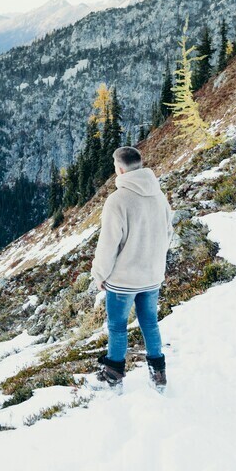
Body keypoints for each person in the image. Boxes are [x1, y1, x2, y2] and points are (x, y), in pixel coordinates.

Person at [90, 145, 174, 390]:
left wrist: (99, 274)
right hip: (151, 276)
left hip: (124, 280)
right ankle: (158, 373)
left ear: (119, 168)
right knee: (150, 323)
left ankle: (113, 373)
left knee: (117, 326)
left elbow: (108, 243)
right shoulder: (159, 196)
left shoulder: (118, 200)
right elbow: (168, 232)